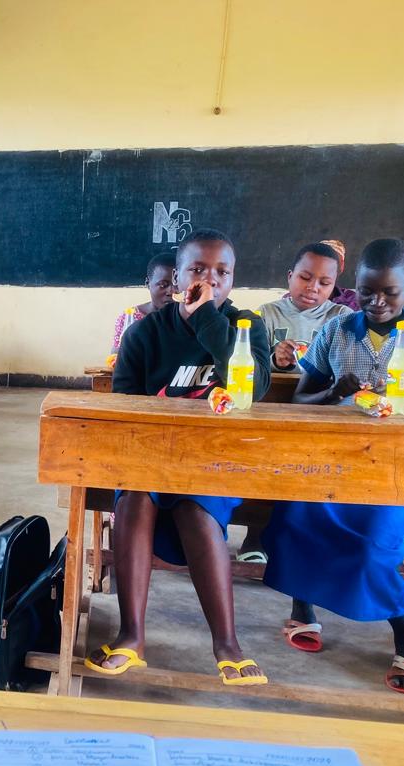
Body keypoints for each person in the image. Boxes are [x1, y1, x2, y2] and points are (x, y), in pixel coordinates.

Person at [262, 238, 404, 694]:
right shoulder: (336, 332)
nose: (376, 302)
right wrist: (334, 393)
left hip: (401, 469)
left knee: (373, 538)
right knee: (296, 515)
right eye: (367, 291)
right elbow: (300, 403)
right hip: (334, 465)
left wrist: (398, 402)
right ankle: (304, 607)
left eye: (389, 292)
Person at [86, 228, 270, 687]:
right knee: (134, 499)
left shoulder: (246, 326)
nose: (209, 280)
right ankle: (131, 637)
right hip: (149, 457)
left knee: (194, 503)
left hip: (215, 460)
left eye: (221, 273)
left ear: (233, 281)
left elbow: (255, 387)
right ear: (175, 279)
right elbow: (125, 409)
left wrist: (208, 318)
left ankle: (226, 643)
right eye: (197, 270)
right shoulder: (144, 334)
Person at [258, 242, 352, 373]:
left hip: (323, 393)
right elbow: (250, 367)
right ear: (290, 277)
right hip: (274, 391)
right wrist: (276, 361)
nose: (313, 288)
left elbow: (350, 367)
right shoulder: (267, 314)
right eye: (305, 277)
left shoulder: (342, 317)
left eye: (324, 283)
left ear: (333, 286)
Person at [110, 251, 177, 353]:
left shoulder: (190, 318)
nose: (171, 292)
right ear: (148, 283)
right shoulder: (129, 318)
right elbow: (116, 357)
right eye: (163, 285)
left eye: (176, 285)